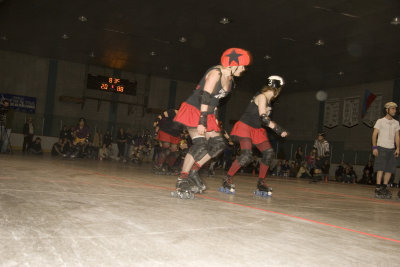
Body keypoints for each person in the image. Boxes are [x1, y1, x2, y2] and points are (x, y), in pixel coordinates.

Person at [173, 48, 251, 198]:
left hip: (207, 113)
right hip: (195, 110)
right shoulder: (216, 73)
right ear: (232, 64)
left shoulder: (230, 79)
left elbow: (215, 101)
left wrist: (214, 117)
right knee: (200, 144)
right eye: (242, 65)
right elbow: (206, 96)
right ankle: (182, 178)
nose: (243, 69)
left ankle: (194, 170)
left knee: (218, 145)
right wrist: (202, 121)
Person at [222, 76, 288, 195]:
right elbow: (264, 119)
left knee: (268, 153)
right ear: (276, 90)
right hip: (245, 127)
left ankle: (261, 183)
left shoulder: (267, 102)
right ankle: (227, 178)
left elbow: (263, 120)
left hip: (257, 130)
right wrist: (279, 130)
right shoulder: (262, 97)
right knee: (247, 155)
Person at [372, 102, 399, 198]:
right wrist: (374, 147)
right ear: (387, 110)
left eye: (395, 109)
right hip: (381, 148)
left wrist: (398, 148)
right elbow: (374, 134)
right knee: (380, 168)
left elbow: (397, 136)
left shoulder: (396, 123)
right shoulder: (380, 121)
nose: (394, 111)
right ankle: (378, 188)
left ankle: (384, 187)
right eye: (392, 109)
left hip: (391, 149)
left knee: (390, 169)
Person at [153, 109, 182, 174]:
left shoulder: (186, 116)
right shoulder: (173, 112)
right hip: (166, 131)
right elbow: (161, 116)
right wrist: (156, 122)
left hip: (176, 134)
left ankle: (169, 166)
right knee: (166, 149)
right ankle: (158, 166)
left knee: (175, 152)